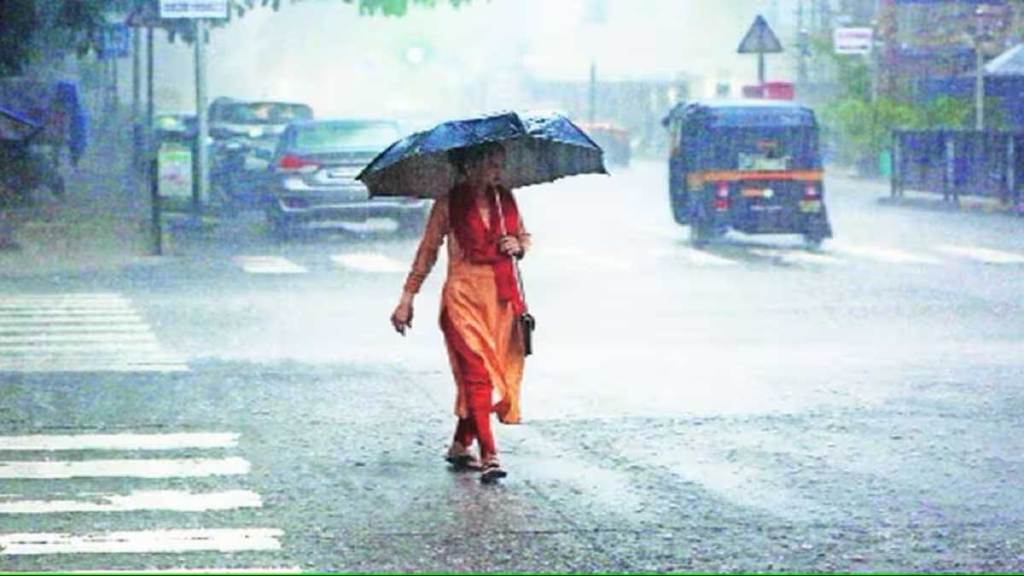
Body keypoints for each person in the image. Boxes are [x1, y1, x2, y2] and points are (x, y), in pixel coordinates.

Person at [390, 142, 529, 483]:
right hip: (461, 301)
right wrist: (407, 298)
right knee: (478, 375)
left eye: (500, 164)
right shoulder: (448, 203)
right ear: (471, 166)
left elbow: (523, 236)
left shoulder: (505, 200)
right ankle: (490, 454)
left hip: (500, 303)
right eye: (492, 165)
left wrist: (519, 246)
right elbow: (428, 251)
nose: (498, 171)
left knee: (482, 376)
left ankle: (459, 444)